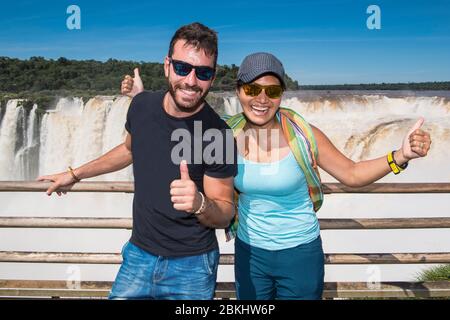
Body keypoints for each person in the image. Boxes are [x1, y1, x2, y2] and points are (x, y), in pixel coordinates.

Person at [121, 52, 432, 300]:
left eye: (271, 90)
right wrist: (142, 97)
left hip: (300, 255)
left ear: (282, 93)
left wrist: (400, 156)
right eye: (252, 89)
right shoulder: (222, 134)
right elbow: (180, 109)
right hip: (249, 253)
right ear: (238, 91)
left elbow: (351, 173)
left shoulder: (303, 135)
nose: (261, 98)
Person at [37, 22, 237, 300]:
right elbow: (129, 150)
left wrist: (200, 203)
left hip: (191, 267)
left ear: (212, 78)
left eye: (202, 72)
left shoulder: (218, 134)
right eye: (182, 68)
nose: (191, 81)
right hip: (138, 256)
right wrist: (75, 174)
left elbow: (226, 211)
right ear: (167, 65)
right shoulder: (142, 106)